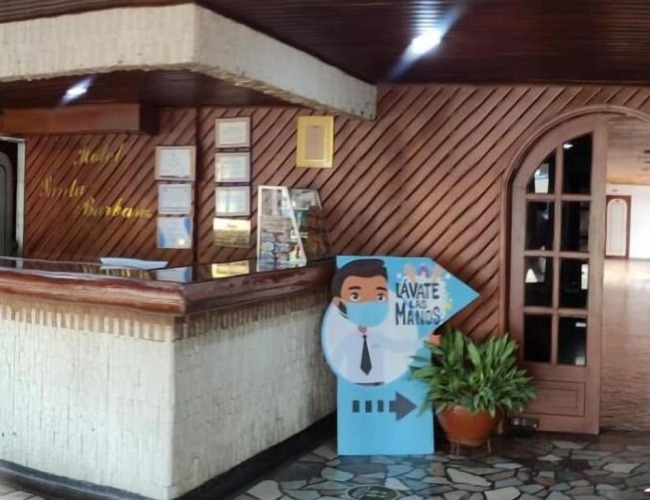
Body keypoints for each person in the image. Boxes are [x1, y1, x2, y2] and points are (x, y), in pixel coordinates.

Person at [329, 259, 419, 385]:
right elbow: (336, 356)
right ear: (338, 302)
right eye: (355, 296)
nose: (368, 303)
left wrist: (422, 342)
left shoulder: (377, 336)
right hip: (355, 382)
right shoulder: (347, 338)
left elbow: (395, 345)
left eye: (380, 297)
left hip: (378, 381)